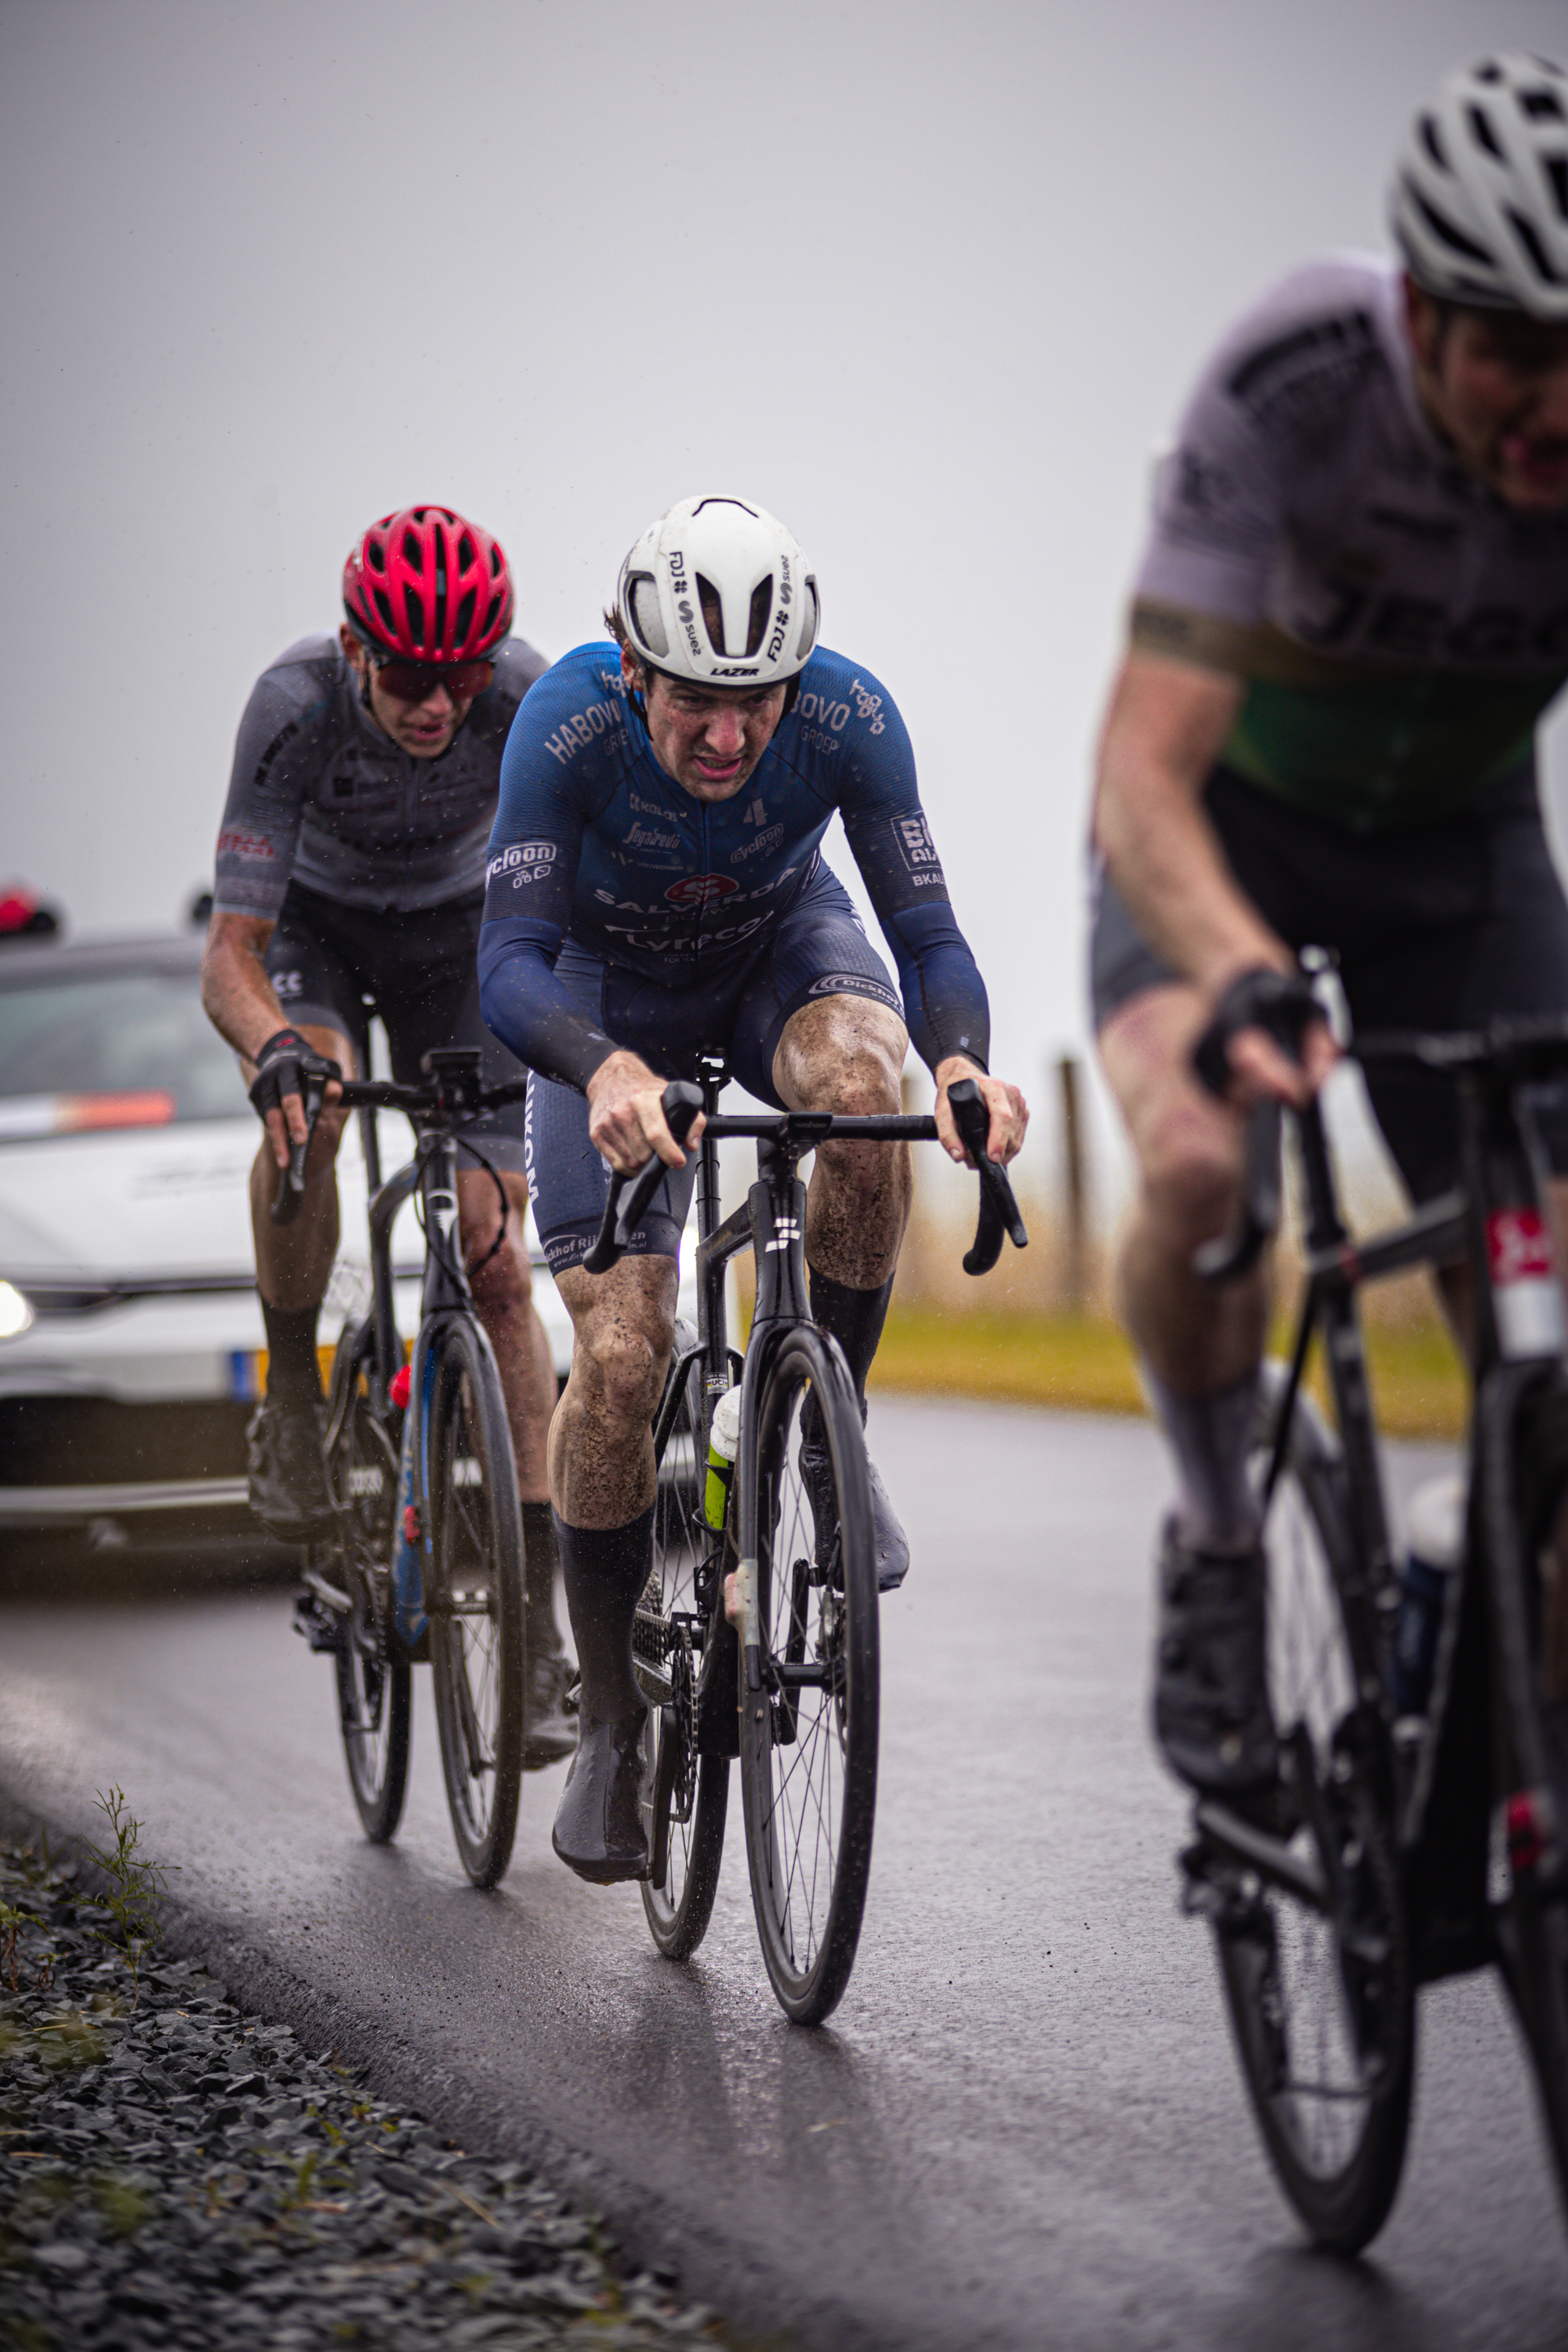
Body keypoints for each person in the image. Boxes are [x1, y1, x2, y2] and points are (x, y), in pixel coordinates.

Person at [1089, 53, 1568, 1801]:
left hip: (1462, 855)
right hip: (1223, 848)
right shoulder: (1289, 387)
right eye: (1516, 349)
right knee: (1211, 1179)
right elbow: (1139, 775)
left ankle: (1485, 1675)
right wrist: (1233, 969)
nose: (1551, 405)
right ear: (1424, 316)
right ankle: (1219, 1546)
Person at [479, 494, 1028, 1882]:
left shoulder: (849, 719)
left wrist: (962, 1067)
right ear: (630, 664)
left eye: (758, 702)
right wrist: (601, 1069)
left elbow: (925, 932)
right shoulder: (565, 726)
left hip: (777, 944)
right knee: (619, 1351)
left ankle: (819, 1430)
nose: (730, 737)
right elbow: (509, 967)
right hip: (603, 995)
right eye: (697, 704)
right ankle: (607, 1722)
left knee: (865, 1084)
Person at [201, 503, 573, 1766]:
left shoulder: (521, 696)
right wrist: (275, 1049)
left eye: (462, 678)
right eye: (413, 677)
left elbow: (569, 887)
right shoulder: (293, 706)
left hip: (459, 939)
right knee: (309, 1116)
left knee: (496, 1259)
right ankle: (296, 1397)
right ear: (360, 651)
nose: (438, 705)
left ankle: (540, 1624)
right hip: (314, 930)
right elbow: (230, 960)